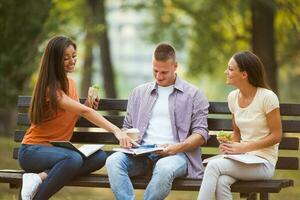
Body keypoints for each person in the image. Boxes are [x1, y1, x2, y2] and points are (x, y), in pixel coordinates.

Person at [18, 36, 133, 200]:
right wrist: (117, 130)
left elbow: (72, 117)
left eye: (74, 56)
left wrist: (88, 104)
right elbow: (84, 113)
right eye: (66, 58)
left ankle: (39, 177)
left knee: (99, 157)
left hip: (58, 152)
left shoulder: (70, 83)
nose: (72, 61)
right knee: (73, 158)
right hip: (33, 152)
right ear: (54, 61)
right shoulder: (52, 88)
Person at [106, 43, 209, 200]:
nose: (159, 76)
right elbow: (127, 126)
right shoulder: (139, 93)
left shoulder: (194, 95)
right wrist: (126, 139)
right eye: (155, 71)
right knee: (113, 161)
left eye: (164, 72)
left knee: (163, 168)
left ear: (175, 66)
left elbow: (201, 134)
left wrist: (175, 148)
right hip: (141, 154)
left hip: (176, 155)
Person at [197, 51, 282, 200]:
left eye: (230, 69)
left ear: (244, 74)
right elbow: (236, 132)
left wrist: (245, 147)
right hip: (242, 159)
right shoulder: (233, 97)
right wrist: (230, 147)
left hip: (263, 163)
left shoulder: (267, 97)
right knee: (222, 182)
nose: (226, 72)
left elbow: (277, 136)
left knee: (213, 166)